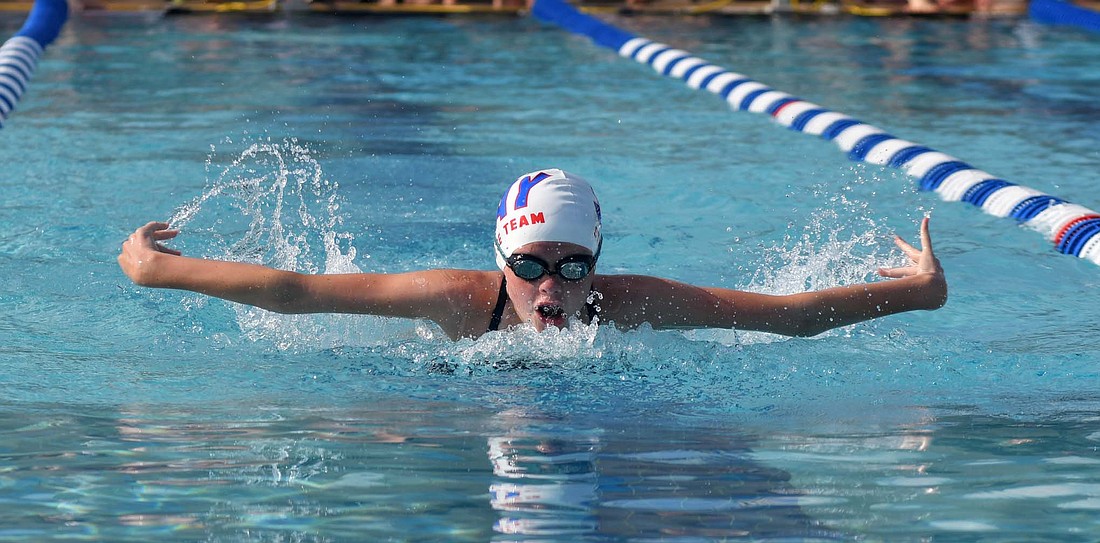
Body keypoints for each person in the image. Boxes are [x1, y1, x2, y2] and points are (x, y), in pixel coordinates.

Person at [118, 168, 947, 340]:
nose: (552, 285)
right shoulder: (453, 297)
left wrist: (919, 292)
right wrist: (154, 268)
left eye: (573, 266)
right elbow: (297, 292)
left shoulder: (628, 302)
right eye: (531, 266)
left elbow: (788, 321)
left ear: (597, 263)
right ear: (501, 262)